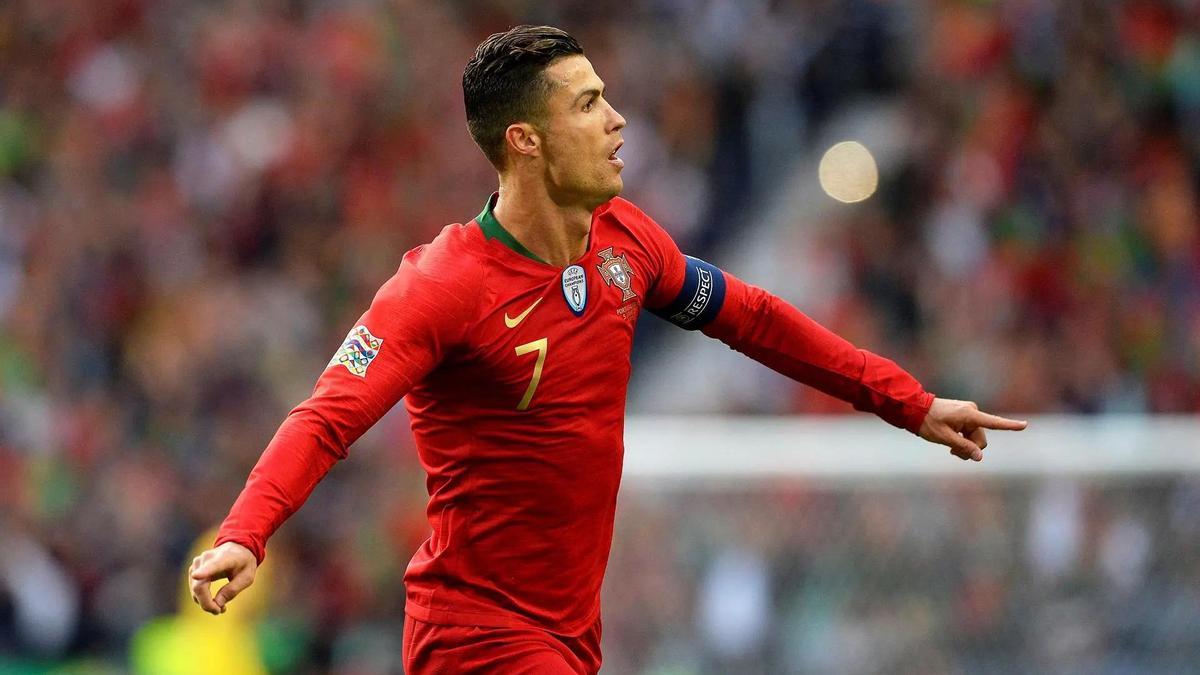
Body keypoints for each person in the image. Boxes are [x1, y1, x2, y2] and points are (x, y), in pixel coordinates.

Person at [187, 25, 1027, 674]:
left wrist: (905, 399)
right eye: (587, 104)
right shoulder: (442, 287)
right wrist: (246, 532)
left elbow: (755, 317)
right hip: (475, 636)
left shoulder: (625, 244)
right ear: (526, 140)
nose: (618, 119)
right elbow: (330, 411)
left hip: (570, 634)